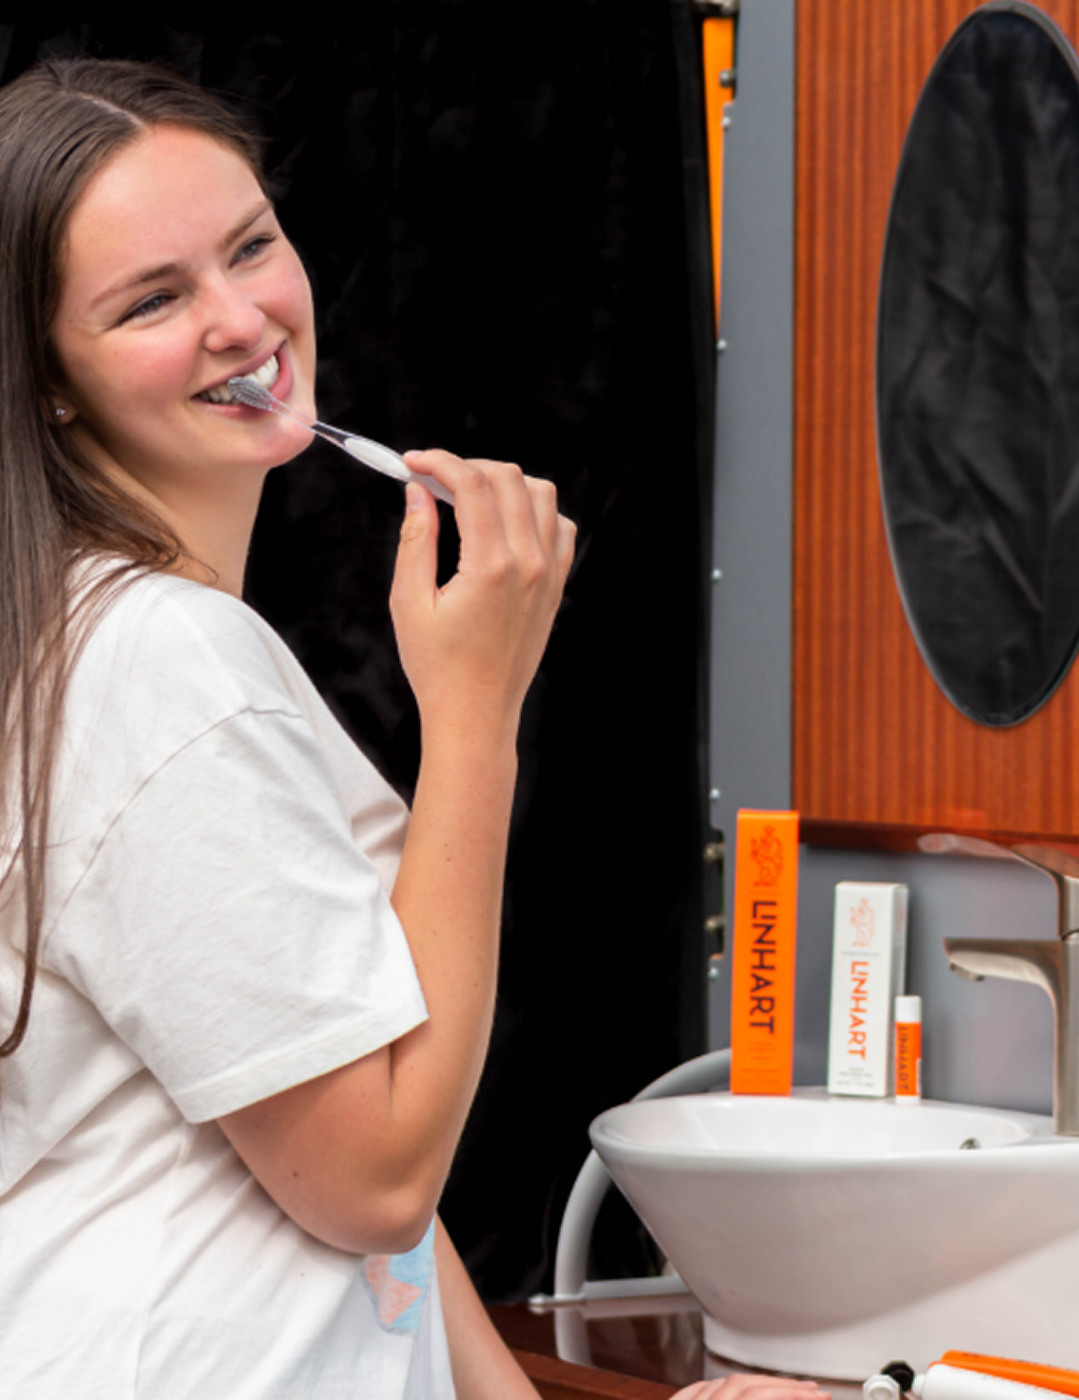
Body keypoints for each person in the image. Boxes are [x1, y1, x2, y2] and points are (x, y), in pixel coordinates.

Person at [0, 57, 825, 1400]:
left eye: (250, 246)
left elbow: (335, 1122)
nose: (239, 318)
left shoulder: (112, 638)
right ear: (47, 384)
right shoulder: (161, 659)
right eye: (153, 300)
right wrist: (478, 713)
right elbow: (375, 1171)